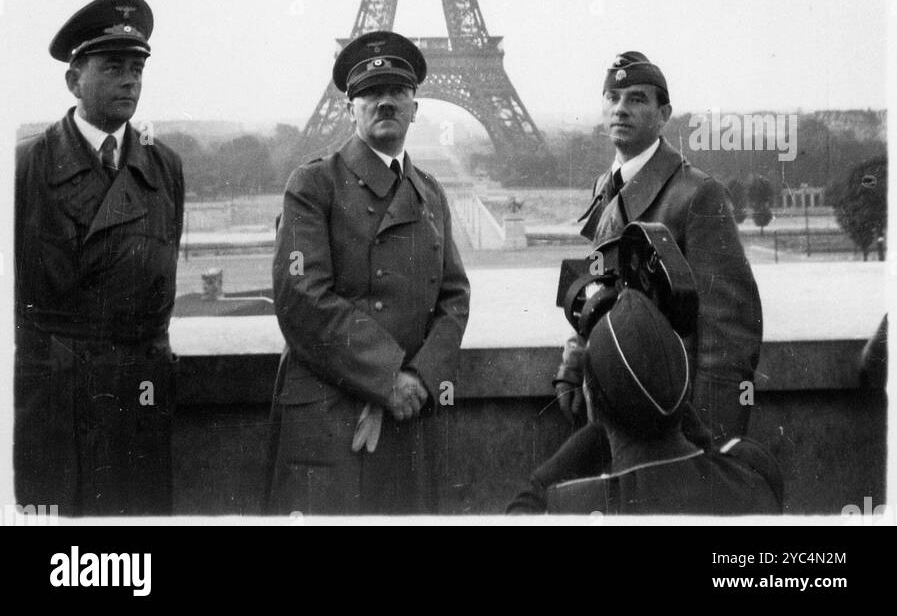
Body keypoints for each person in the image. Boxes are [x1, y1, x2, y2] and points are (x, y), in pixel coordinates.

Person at [267, 30, 471, 515]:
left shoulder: (430, 191)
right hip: (333, 414)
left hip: (408, 411)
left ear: (415, 106)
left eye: (397, 91)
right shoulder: (312, 184)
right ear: (349, 107)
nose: (385, 102)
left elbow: (454, 296)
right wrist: (386, 378)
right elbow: (301, 297)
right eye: (370, 93)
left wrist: (418, 379)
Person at [15, 0, 184, 515]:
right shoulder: (26, 168)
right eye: (113, 67)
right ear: (74, 80)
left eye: (137, 68)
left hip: (139, 396)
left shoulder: (165, 168)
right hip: (58, 401)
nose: (130, 80)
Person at [554, 51, 762, 445]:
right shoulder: (606, 186)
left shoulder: (697, 194)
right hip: (612, 407)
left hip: (667, 424)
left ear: (664, 114)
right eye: (612, 98)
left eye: (636, 99)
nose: (621, 109)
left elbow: (728, 334)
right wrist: (573, 364)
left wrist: (710, 441)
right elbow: (599, 291)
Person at [511, 289, 782, 515]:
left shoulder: (573, 506)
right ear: (683, 389)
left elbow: (523, 507)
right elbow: (717, 451)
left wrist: (602, 417)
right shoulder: (756, 475)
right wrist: (663, 390)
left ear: (593, 404)